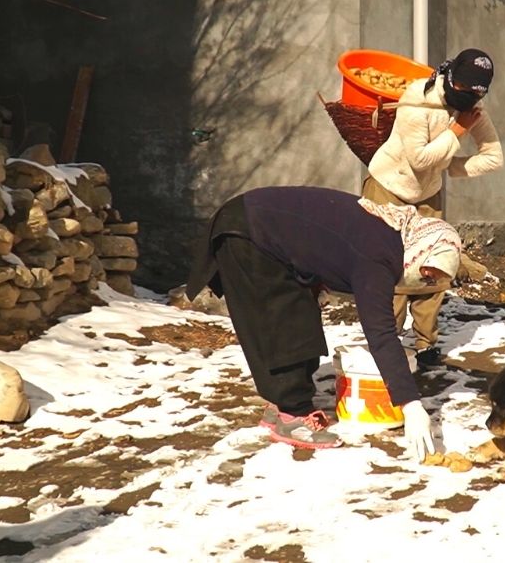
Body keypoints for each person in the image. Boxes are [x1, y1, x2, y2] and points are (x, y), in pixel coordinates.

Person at [185, 186, 461, 460]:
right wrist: (411, 406)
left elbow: (324, 237)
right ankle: (292, 417)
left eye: (432, 278)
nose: (424, 280)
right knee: (286, 322)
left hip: (257, 224)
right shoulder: (379, 256)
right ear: (423, 247)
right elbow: (381, 334)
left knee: (299, 319)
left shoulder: (395, 233)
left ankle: (281, 404)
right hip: (248, 231)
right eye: (426, 270)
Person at [363, 48, 503, 364]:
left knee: (433, 268)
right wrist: (457, 131)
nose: (467, 97)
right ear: (450, 76)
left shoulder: (471, 108)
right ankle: (387, 342)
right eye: (463, 89)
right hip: (388, 188)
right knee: (392, 270)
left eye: (475, 93)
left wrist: (447, 166)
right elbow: (419, 159)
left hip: (427, 195)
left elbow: (493, 158)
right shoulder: (418, 100)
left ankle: (425, 343)